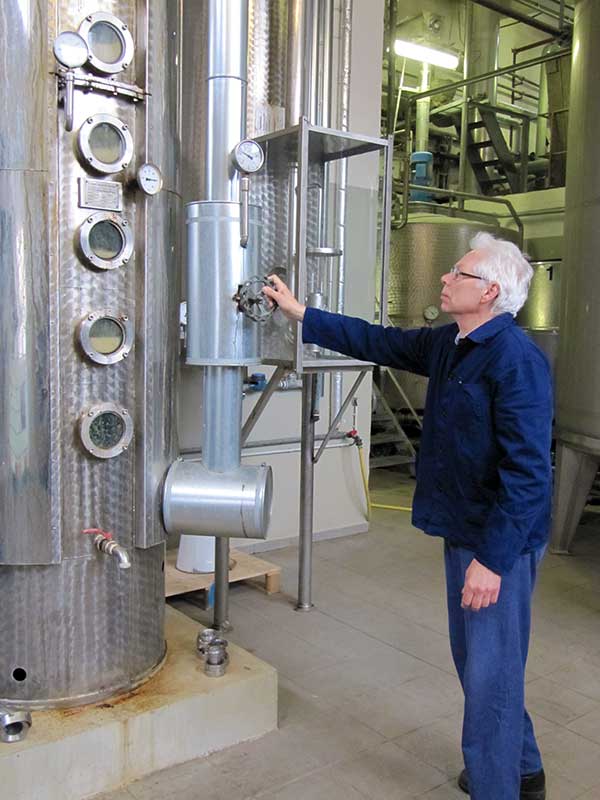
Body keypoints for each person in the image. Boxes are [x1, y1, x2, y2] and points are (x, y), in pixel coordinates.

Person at [263, 232, 552, 800]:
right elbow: (379, 340)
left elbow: (528, 474)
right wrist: (302, 314)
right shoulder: (451, 342)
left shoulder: (516, 362)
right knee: (482, 663)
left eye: (459, 273)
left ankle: (497, 787)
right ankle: (525, 770)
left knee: (488, 676)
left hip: (498, 541)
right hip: (463, 528)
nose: (445, 278)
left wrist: (492, 561)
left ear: (490, 292)